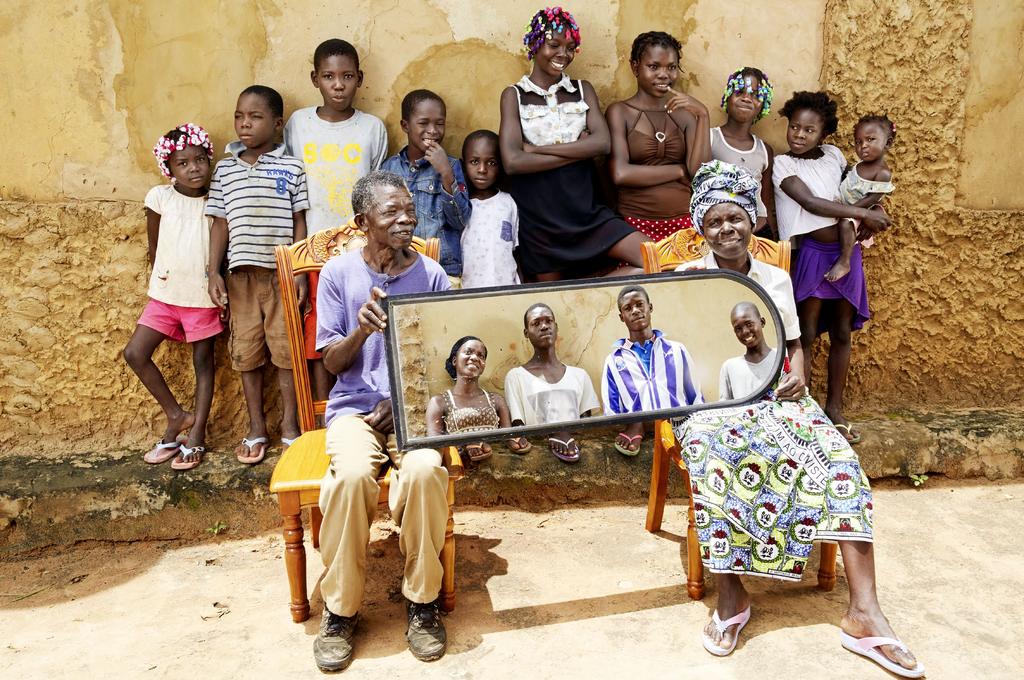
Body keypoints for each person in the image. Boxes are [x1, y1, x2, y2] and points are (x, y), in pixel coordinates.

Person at [674, 161, 922, 678]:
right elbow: (676, 355)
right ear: (701, 227)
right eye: (715, 221)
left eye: (737, 218)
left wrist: (799, 376)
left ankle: (864, 614)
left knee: (838, 464)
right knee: (713, 460)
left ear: (752, 221)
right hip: (708, 405)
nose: (727, 229)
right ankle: (731, 598)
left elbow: (792, 345)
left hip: (775, 397)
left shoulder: (773, 278)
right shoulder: (684, 280)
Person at [313, 171, 452, 672]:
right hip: (353, 407)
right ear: (362, 222)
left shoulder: (432, 275)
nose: (406, 219)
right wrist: (359, 330)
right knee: (349, 478)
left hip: (415, 410)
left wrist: (401, 399)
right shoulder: (338, 275)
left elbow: (443, 363)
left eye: (408, 209)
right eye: (391, 212)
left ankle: (422, 603)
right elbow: (330, 363)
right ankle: (341, 610)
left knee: (422, 472)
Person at [773, 91, 891, 443]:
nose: (799, 134)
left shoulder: (834, 155)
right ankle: (805, 411)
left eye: (809, 130)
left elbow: (854, 191)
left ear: (824, 135)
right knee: (805, 334)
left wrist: (875, 209)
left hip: (846, 250)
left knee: (841, 331)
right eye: (794, 127)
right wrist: (863, 214)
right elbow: (811, 202)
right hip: (811, 252)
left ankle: (835, 409)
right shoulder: (783, 164)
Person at [499, 7, 649, 280]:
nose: (563, 54)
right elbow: (512, 162)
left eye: (570, 47)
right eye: (554, 45)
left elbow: (602, 144)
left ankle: (594, 285)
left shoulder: (582, 90)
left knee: (652, 258)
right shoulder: (514, 96)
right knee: (556, 301)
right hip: (541, 221)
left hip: (587, 212)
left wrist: (536, 150)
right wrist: (580, 152)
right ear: (534, 44)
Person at [206, 85, 309, 463]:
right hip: (240, 278)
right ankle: (255, 428)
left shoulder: (292, 167)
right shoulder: (225, 169)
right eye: (239, 116)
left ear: (277, 124)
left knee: (286, 353)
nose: (244, 124)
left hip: (280, 276)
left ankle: (290, 428)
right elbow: (219, 224)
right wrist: (213, 272)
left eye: (255, 116)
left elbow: (300, 222)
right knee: (246, 354)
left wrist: (297, 271)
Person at [284, 38, 388, 402]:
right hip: (314, 251)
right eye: (329, 76)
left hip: (361, 252)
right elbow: (292, 192)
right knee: (319, 333)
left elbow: (376, 192)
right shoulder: (298, 125)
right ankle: (327, 410)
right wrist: (297, 263)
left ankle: (365, 404)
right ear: (315, 79)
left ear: (359, 78)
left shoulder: (372, 128)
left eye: (346, 76)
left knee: (365, 328)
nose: (338, 84)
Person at [124, 123, 221, 471]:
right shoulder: (160, 198)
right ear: (170, 168)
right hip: (164, 295)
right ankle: (177, 414)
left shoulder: (217, 201)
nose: (193, 168)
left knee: (203, 365)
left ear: (209, 161)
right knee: (135, 353)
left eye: (199, 160)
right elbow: (154, 246)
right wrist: (161, 278)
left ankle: (197, 435)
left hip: (202, 298)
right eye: (183, 163)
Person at [606, 31, 711, 241]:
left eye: (671, 67)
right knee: (643, 270)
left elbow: (700, 175)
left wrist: (703, 115)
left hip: (685, 222)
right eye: (653, 67)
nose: (664, 74)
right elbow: (620, 174)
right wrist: (679, 170)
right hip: (635, 223)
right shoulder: (620, 112)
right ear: (635, 67)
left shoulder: (687, 116)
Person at [381, 89, 471, 285]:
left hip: (443, 270)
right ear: (405, 125)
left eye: (440, 123)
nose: (433, 130)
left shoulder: (453, 166)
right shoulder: (389, 169)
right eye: (423, 123)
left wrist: (446, 173)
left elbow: (460, 220)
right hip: (397, 270)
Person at [601, 285, 703, 455]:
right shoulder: (614, 360)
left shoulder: (677, 350)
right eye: (628, 308)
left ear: (650, 307)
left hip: (679, 424)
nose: (635, 311)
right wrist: (633, 422)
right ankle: (637, 425)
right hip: (636, 429)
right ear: (622, 317)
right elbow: (612, 412)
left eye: (640, 304)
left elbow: (695, 397)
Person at [503, 303, 599, 463]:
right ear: (526, 333)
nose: (544, 326)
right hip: (538, 459)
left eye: (549, 321)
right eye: (536, 323)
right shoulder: (516, 376)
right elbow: (518, 425)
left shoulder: (579, 375)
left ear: (556, 327)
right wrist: (555, 433)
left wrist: (566, 435)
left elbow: (584, 426)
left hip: (575, 453)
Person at [425, 336, 525, 462]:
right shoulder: (439, 402)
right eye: (468, 352)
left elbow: (508, 436)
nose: (474, 358)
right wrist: (464, 445)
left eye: (481, 356)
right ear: (455, 361)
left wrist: (515, 439)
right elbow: (435, 442)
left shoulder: (496, 400)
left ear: (483, 366)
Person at [709, 67, 776, 238]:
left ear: (763, 105)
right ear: (727, 97)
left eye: (755, 95)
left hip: (758, 231)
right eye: (739, 91)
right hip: (721, 232)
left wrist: (773, 240)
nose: (747, 98)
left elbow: (765, 201)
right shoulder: (709, 138)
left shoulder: (764, 150)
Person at [459, 130, 521, 288]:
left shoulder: (508, 203)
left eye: (491, 163)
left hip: (508, 289)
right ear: (463, 165)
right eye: (474, 161)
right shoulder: (460, 206)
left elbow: (515, 250)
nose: (482, 169)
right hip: (469, 292)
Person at [837, 115, 897, 253]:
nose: (863, 145)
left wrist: (849, 210)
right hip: (846, 207)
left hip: (858, 210)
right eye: (858, 142)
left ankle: (845, 260)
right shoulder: (861, 165)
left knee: (845, 225)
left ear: (887, 143)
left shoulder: (882, 173)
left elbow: (873, 198)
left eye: (870, 139)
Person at [718, 301, 778, 401]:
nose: (745, 331)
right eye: (738, 329)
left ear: (762, 322)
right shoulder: (730, 367)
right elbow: (724, 409)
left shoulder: (780, 356)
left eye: (749, 324)